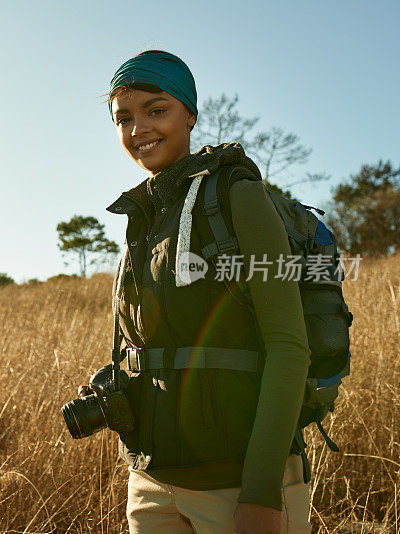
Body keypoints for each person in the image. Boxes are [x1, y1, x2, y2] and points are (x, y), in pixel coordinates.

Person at [81, 50, 314, 533]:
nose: (137, 128)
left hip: (238, 486)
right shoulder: (141, 218)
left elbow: (289, 347)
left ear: (190, 114)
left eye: (156, 109)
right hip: (151, 485)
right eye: (123, 118)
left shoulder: (237, 196)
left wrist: (262, 492)